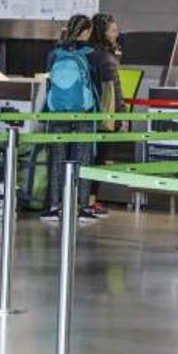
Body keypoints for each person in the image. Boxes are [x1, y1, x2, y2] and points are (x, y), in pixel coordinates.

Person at [42, 14, 110, 222]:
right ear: (87, 32)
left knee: (57, 158)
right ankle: (81, 206)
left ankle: (54, 206)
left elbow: (49, 83)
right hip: (85, 112)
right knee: (83, 158)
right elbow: (102, 86)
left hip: (58, 111)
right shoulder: (95, 54)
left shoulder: (54, 54)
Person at [88, 12, 125, 217]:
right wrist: (121, 117)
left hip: (86, 114)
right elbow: (114, 91)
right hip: (104, 118)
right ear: (103, 33)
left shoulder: (86, 52)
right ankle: (92, 201)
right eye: (113, 30)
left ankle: (81, 199)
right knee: (99, 158)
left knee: (86, 157)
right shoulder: (106, 58)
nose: (116, 34)